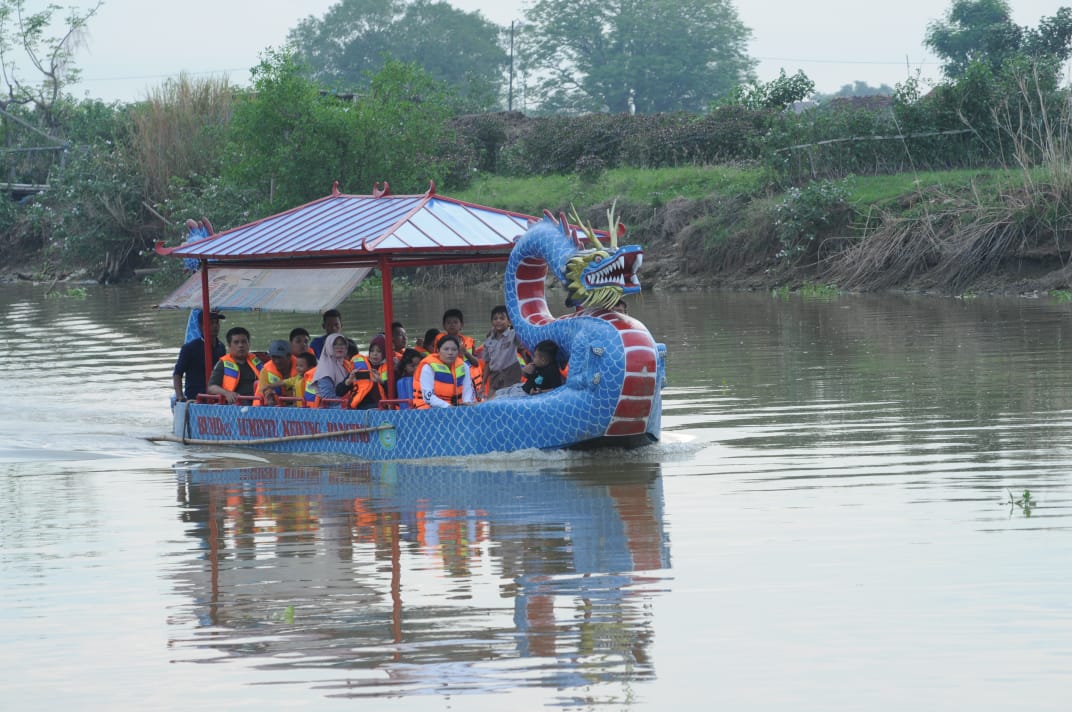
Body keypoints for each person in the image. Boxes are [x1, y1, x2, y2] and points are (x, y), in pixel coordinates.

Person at [172, 309, 226, 403]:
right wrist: (180, 396)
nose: (215, 326)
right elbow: (177, 373)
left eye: (216, 323)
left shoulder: (221, 347)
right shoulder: (189, 348)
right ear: (201, 326)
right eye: (210, 323)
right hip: (195, 399)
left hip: (217, 398)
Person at [413, 334, 475, 408]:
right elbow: (428, 397)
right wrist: (448, 407)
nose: (450, 353)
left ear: (458, 352)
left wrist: (466, 405)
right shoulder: (428, 367)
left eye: (454, 350)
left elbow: (467, 390)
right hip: (428, 410)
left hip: (456, 408)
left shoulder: (464, 367)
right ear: (438, 351)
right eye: (446, 349)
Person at [207, 326, 263, 404]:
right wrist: (227, 393)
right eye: (236, 342)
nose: (241, 345)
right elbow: (211, 388)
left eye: (244, 342)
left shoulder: (256, 361)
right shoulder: (223, 364)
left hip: (258, 404)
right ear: (229, 346)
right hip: (234, 406)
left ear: (248, 344)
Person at [481, 305, 525, 396]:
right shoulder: (488, 341)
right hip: (495, 375)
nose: (498, 321)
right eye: (495, 318)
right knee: (492, 400)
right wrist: (483, 383)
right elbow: (487, 363)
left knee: (509, 400)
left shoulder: (513, 334)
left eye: (502, 318)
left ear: (509, 322)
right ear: (492, 322)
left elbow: (523, 346)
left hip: (511, 373)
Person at [441, 308, 483, 396]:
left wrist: (465, 352)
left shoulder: (469, 341)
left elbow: (476, 363)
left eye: (455, 322)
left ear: (462, 325)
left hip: (469, 381)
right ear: (444, 326)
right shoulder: (441, 343)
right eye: (448, 323)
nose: (452, 325)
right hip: (451, 381)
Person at [345, 334, 389, 409]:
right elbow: (339, 391)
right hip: (361, 408)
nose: (375, 354)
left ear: (385, 352)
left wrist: (381, 382)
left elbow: (394, 391)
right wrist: (348, 382)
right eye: (372, 351)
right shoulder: (360, 366)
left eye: (379, 351)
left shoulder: (390, 367)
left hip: (383, 408)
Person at [314, 332, 353, 408]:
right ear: (328, 346)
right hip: (332, 411)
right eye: (335, 344)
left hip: (346, 405)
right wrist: (349, 404)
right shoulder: (325, 368)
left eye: (342, 344)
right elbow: (328, 398)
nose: (339, 347)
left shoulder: (346, 364)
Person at [258, 339, 296, 406]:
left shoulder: (301, 368)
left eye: (280, 357)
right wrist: (269, 398)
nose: (277, 361)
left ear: (289, 356)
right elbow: (263, 391)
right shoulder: (265, 370)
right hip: (273, 408)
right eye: (273, 357)